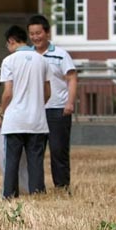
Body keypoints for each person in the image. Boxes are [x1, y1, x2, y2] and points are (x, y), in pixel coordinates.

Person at [0, 25, 51, 198]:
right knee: (35, 161)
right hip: (37, 120)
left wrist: (1, 112)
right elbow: (48, 91)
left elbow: (7, 93)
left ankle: (10, 195)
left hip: (15, 120)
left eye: (8, 44)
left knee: (12, 160)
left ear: (12, 41)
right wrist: (37, 104)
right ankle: (37, 194)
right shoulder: (42, 60)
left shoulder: (9, 61)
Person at [27, 14, 78, 193]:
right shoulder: (27, 55)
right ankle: (36, 188)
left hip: (58, 110)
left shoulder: (61, 54)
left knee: (58, 151)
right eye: (32, 34)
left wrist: (70, 103)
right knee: (35, 152)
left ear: (47, 33)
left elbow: (71, 78)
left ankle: (62, 188)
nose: (35, 37)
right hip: (35, 110)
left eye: (38, 33)